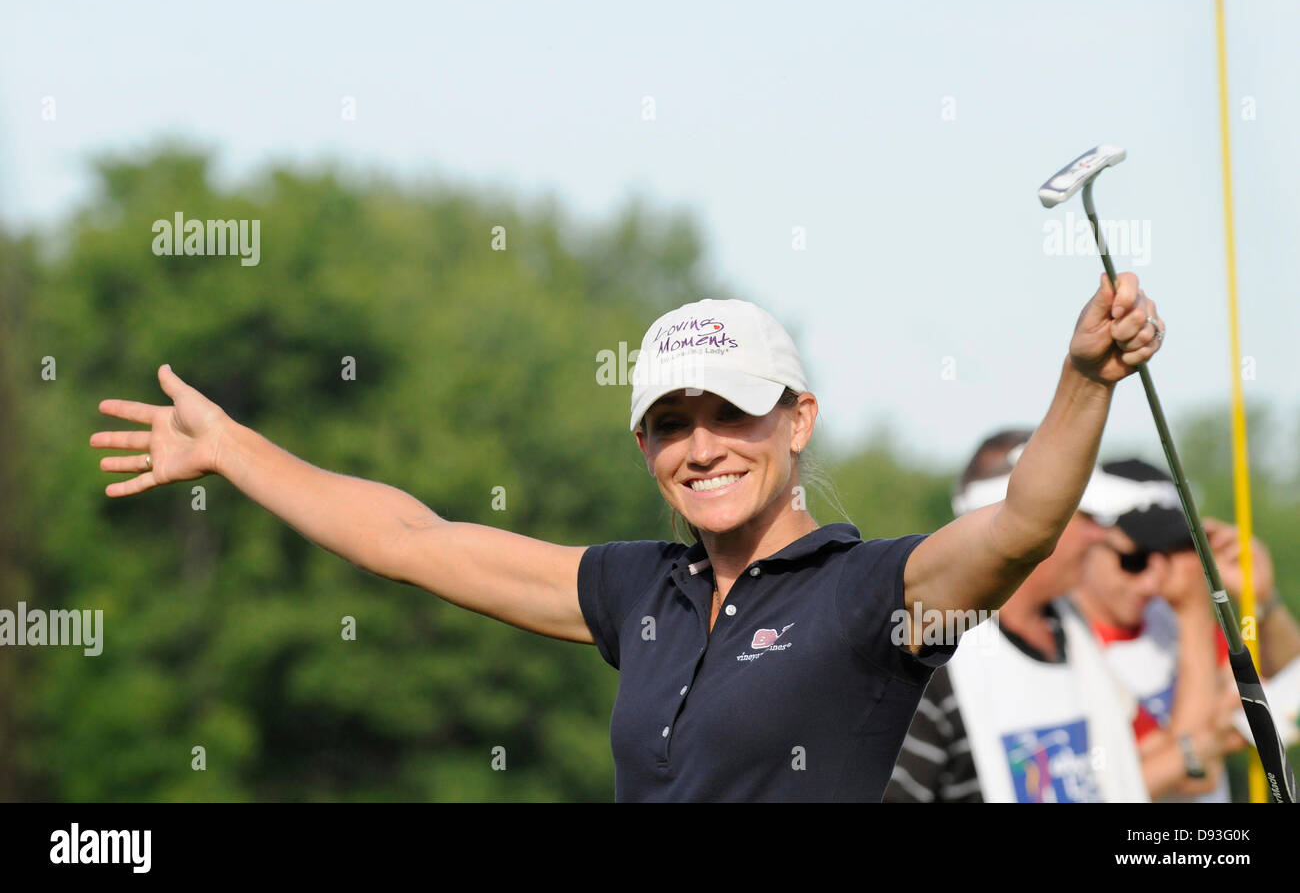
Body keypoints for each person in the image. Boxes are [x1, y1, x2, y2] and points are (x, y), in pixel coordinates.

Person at [91, 273, 1165, 801]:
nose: (701, 446)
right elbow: (411, 538)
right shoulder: (636, 589)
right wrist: (236, 450)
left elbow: (1023, 525)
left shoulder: (868, 590)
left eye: (732, 413)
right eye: (670, 422)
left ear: (797, 418)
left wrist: (1080, 383)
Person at [884, 431, 1150, 803]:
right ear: (1024, 523)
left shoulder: (1072, 628)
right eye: (1084, 515)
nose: (1099, 535)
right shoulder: (931, 657)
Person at [1072, 457, 1300, 801]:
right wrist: (1195, 611)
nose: (1154, 580)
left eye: (1173, 552)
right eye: (1135, 559)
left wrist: (1263, 602)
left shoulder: (1164, 618)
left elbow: (1285, 677)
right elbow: (1196, 777)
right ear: (1088, 539)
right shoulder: (1065, 643)